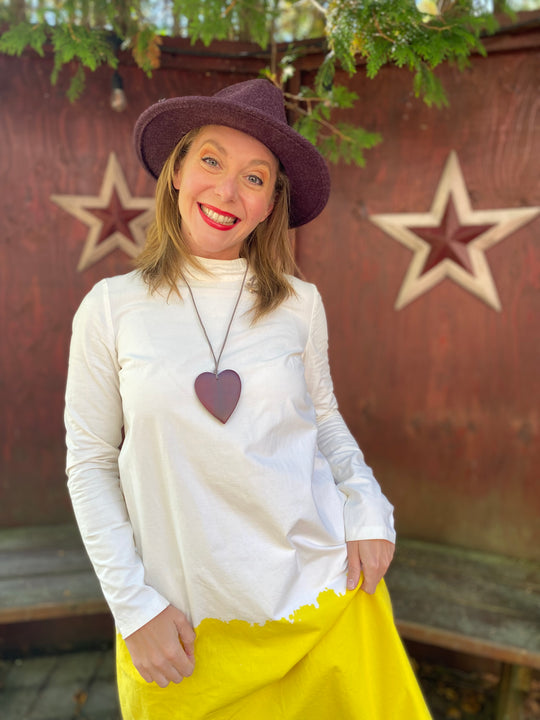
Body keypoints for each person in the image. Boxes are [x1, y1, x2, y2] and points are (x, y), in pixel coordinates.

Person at [65, 79, 432, 719]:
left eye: (255, 178)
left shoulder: (299, 305)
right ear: (177, 171)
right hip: (178, 633)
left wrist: (368, 503)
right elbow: (91, 462)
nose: (228, 191)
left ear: (271, 206)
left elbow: (322, 424)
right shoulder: (110, 309)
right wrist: (133, 606)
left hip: (320, 610)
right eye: (211, 160)